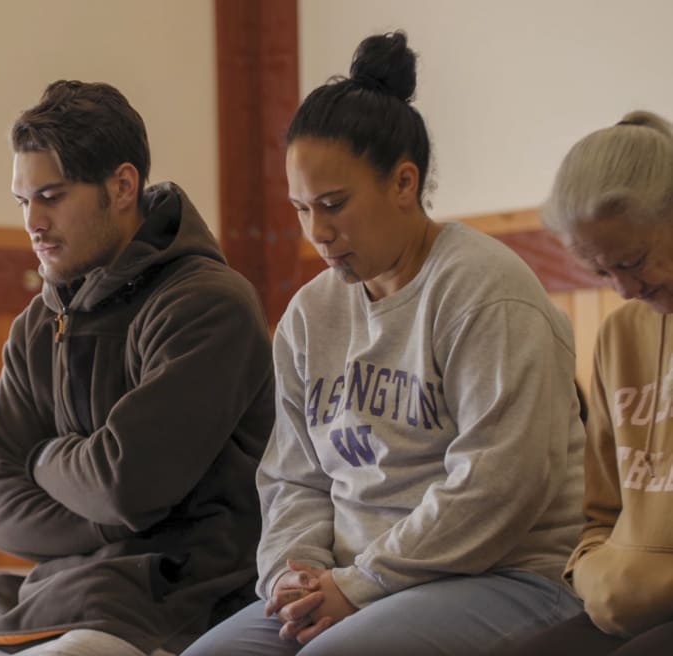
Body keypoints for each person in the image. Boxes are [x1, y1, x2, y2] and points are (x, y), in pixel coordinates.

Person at [183, 31, 585, 656]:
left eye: (334, 204)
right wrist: (294, 574)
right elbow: (293, 479)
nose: (317, 231)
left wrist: (363, 582)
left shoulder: (486, 290)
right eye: (300, 209)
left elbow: (501, 483)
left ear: (403, 182)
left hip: (505, 576)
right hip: (353, 582)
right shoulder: (310, 315)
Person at [0, 80, 275, 656]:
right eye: (23, 201)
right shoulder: (37, 325)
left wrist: (40, 458)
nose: (32, 223)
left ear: (121, 186)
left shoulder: (209, 304)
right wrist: (108, 514)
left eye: (52, 196)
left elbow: (124, 483)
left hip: (178, 606)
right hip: (51, 597)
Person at [505, 112, 673, 655]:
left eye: (634, 261)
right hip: (627, 600)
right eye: (602, 274)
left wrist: (644, 586)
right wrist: (594, 573)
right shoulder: (621, 335)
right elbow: (598, 514)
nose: (624, 289)